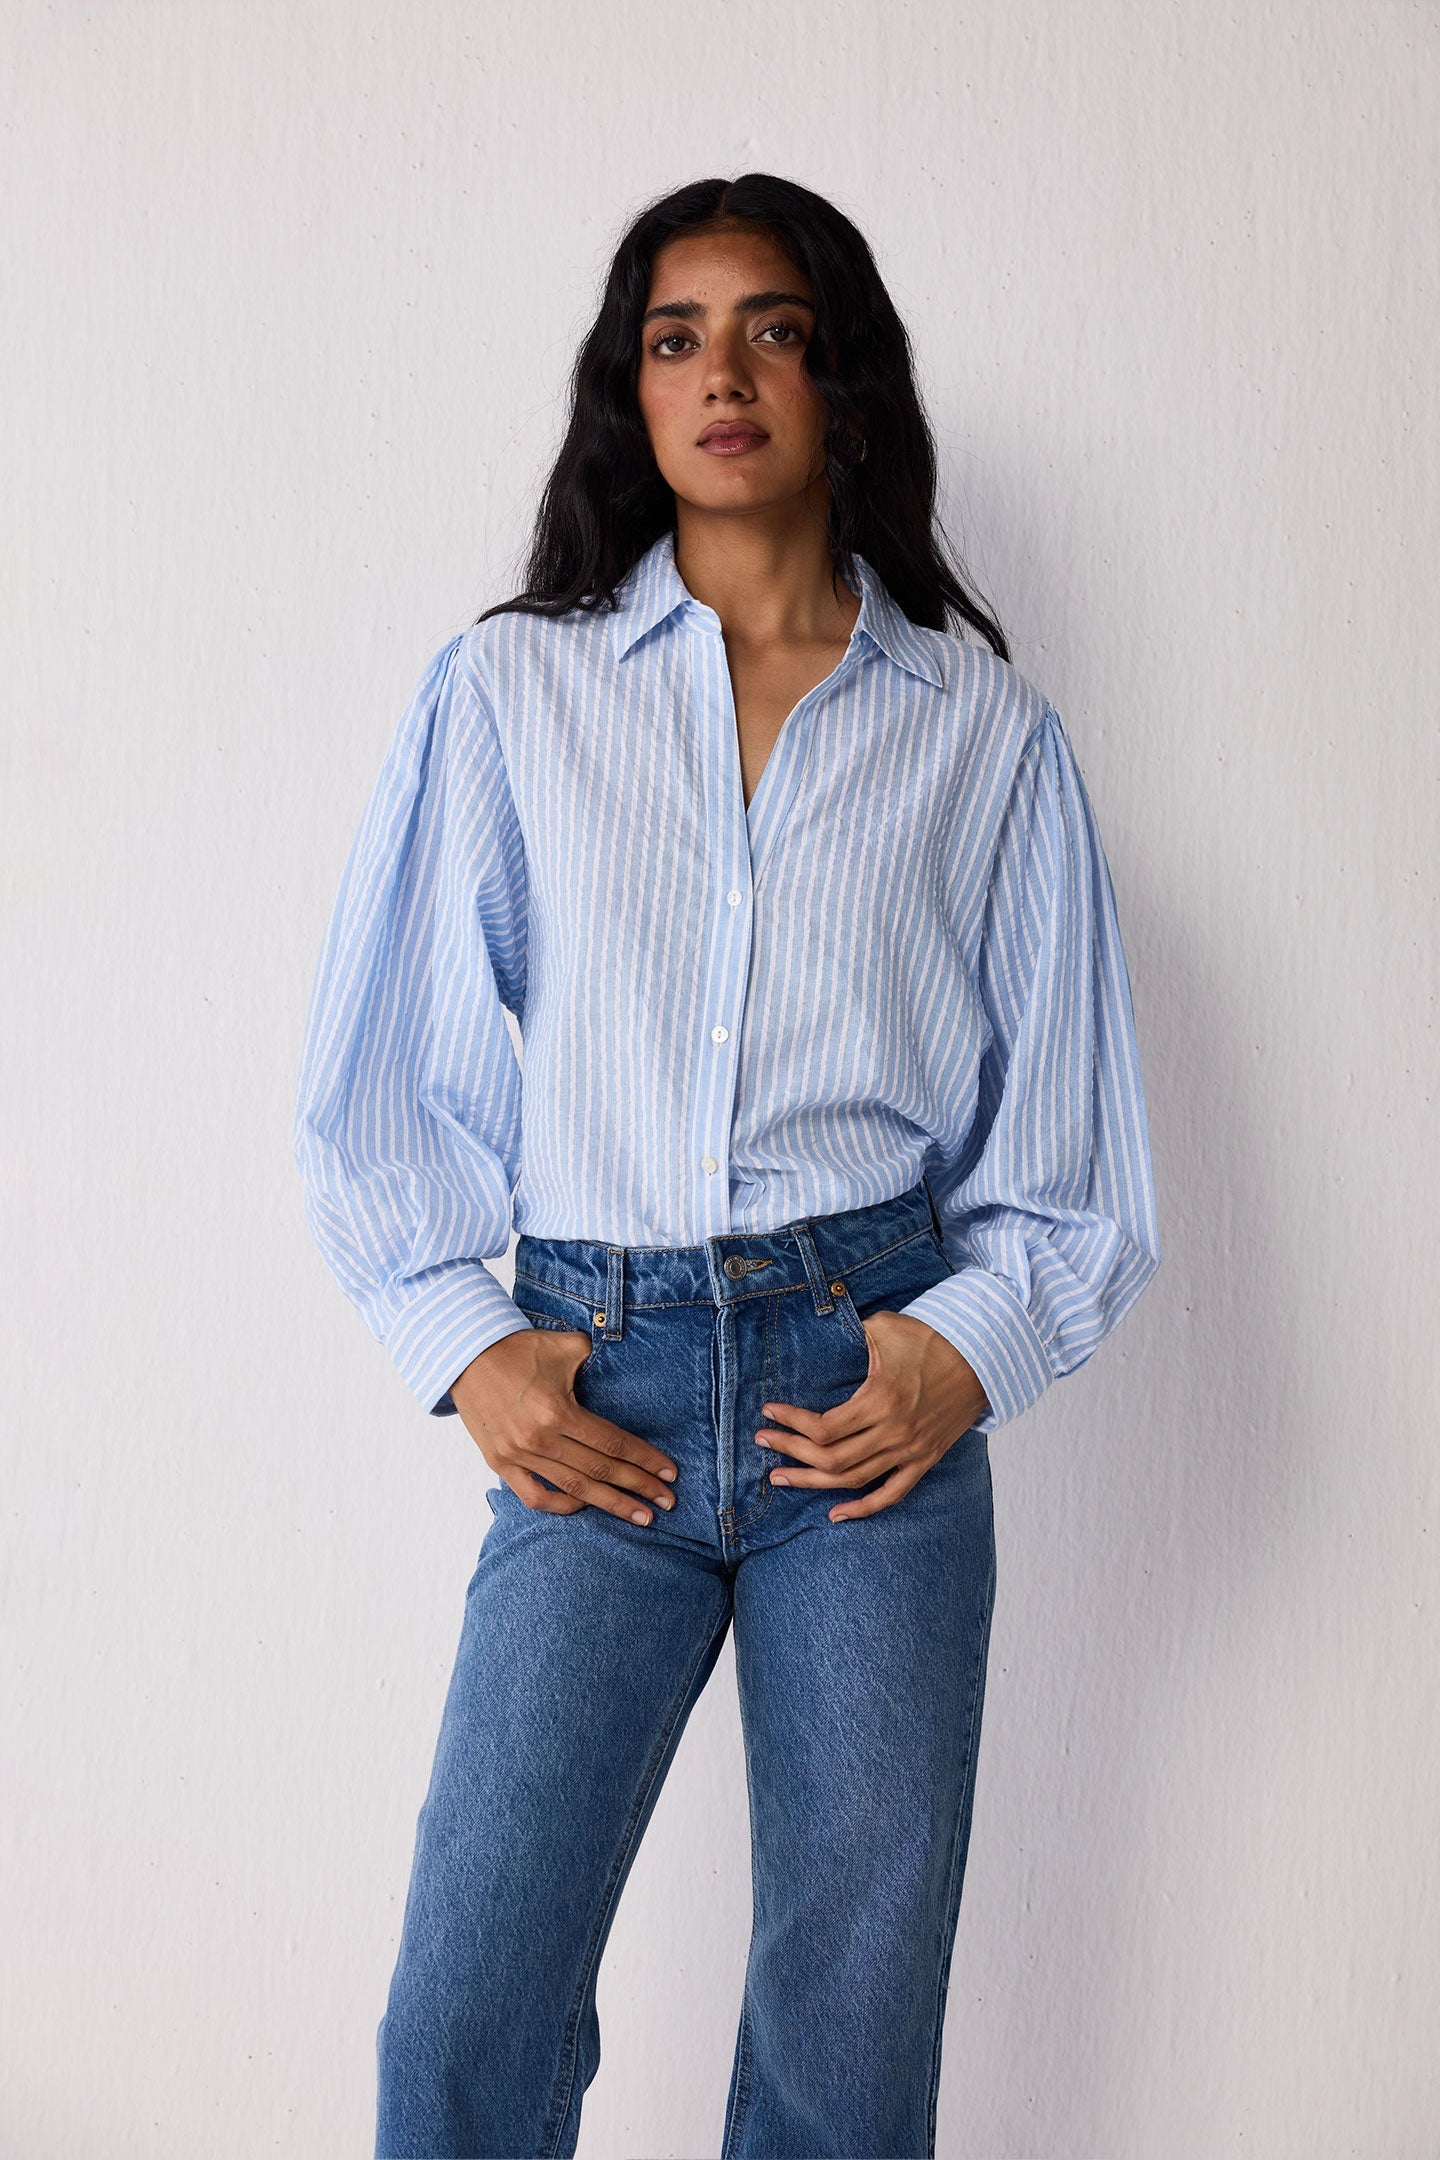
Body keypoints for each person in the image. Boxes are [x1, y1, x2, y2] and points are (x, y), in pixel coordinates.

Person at [292, 171, 1161, 2160]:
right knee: (470, 2001)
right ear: (633, 395)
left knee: (849, 2042)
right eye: (675, 336)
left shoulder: (985, 740)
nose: (723, 372)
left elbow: (1078, 1154)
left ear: (842, 388)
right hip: (594, 1393)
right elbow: (382, 1081)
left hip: (871, 1395)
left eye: (772, 326)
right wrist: (470, 1343)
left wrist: (966, 1351)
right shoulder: (512, 695)